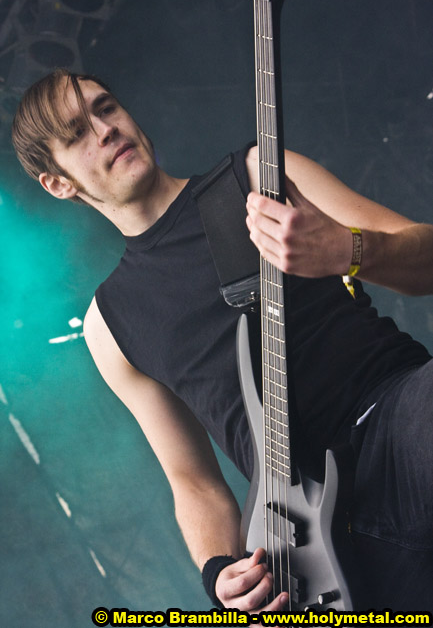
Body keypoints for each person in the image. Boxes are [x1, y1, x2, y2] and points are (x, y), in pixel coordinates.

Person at [12, 68, 433, 611]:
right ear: (58, 183)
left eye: (106, 107)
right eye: (76, 133)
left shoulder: (259, 175)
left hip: (397, 421)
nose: (105, 129)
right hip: (307, 548)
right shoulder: (108, 325)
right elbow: (193, 481)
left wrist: (347, 249)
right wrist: (219, 574)